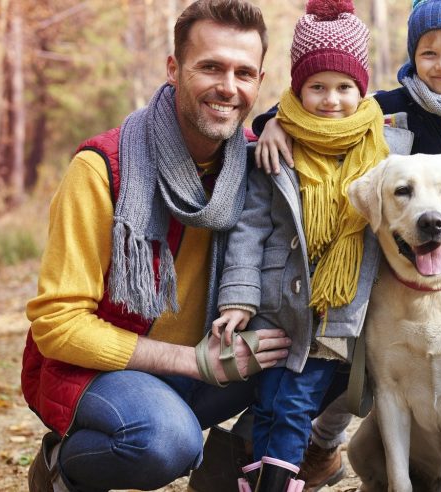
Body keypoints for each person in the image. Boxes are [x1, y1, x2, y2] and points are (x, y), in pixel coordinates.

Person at [20, 1, 293, 490]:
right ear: (174, 69)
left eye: (243, 73)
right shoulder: (103, 168)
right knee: (165, 440)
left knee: (314, 355)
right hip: (95, 372)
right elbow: (57, 327)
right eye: (210, 66)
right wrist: (190, 361)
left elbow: (346, 129)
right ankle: (61, 467)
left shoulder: (254, 162)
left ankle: (228, 464)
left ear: (259, 81)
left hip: (203, 362)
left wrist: (284, 122)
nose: (228, 87)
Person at [252, 0, 441, 488]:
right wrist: (273, 123)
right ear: (412, 57)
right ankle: (318, 446)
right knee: (345, 354)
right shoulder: (393, 108)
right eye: (428, 52)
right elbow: (326, 108)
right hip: (389, 266)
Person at [210, 0, 413, 490]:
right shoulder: (276, 146)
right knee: (274, 398)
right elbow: (249, 227)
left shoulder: (390, 148)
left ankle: (272, 480)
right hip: (280, 303)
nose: (330, 100)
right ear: (296, 89)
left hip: (342, 305)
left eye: (344, 87)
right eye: (316, 87)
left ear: (361, 88)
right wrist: (238, 298)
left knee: (295, 401)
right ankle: (260, 476)